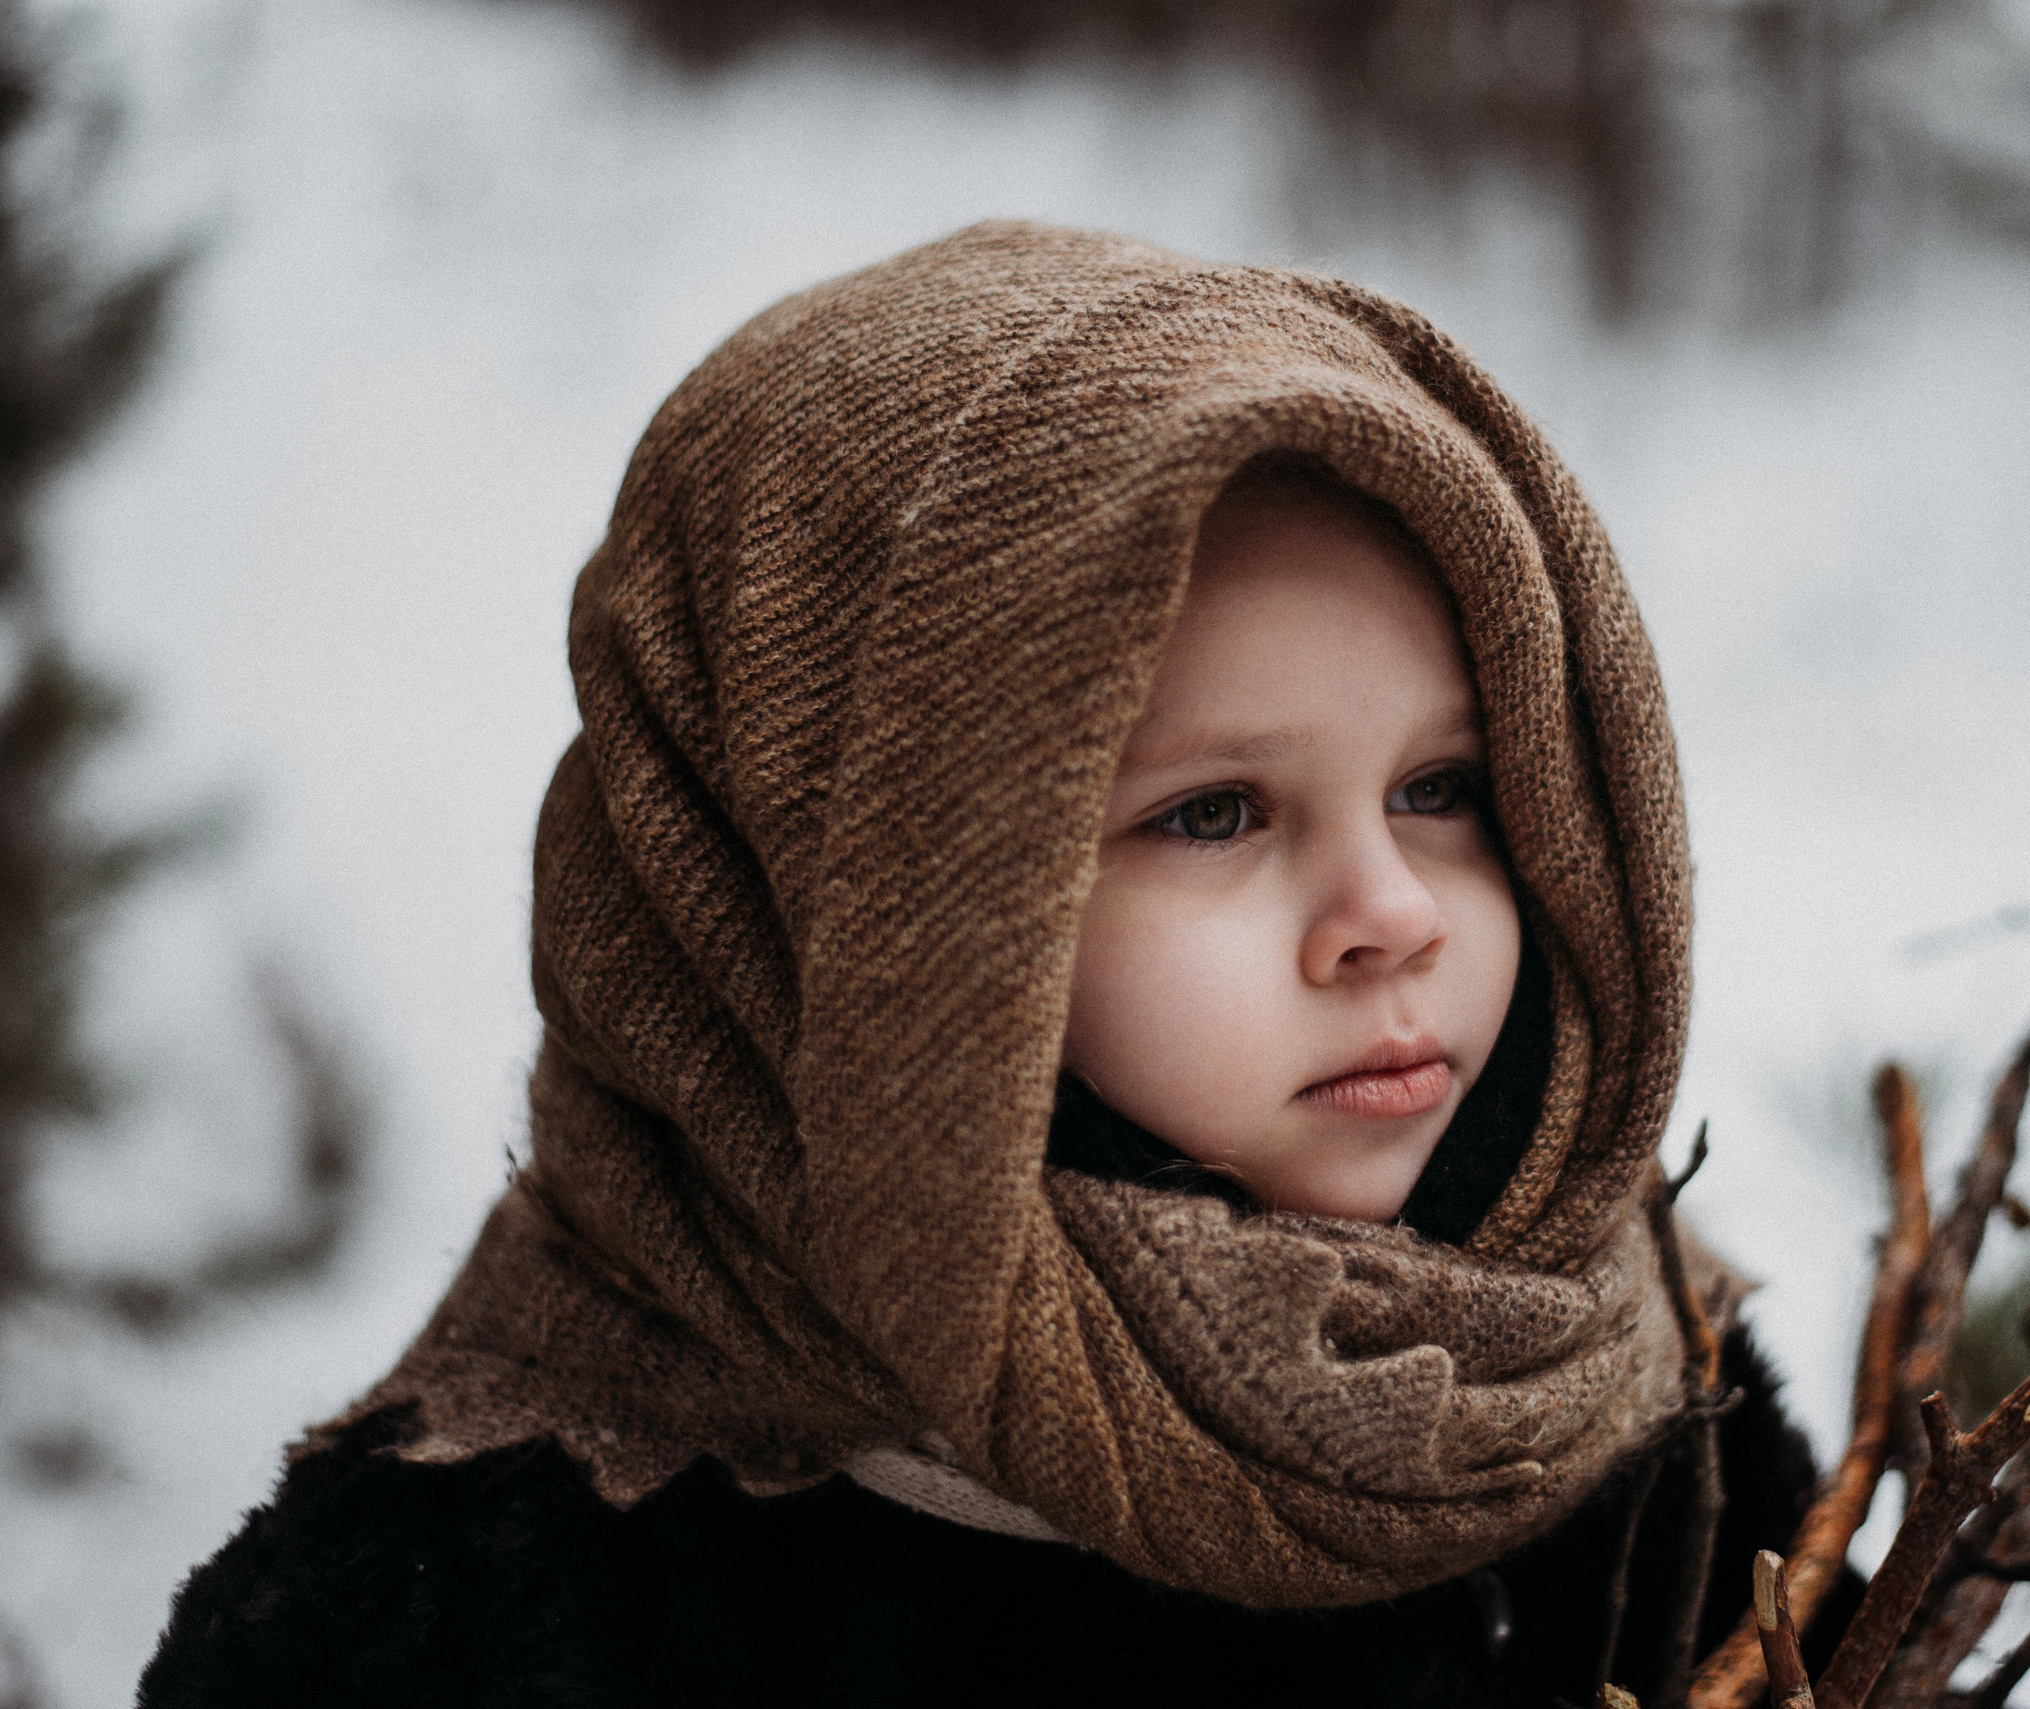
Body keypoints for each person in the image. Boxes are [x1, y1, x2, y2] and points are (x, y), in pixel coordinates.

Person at [139, 222, 1849, 1709]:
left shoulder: (1614, 1383)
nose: (1389, 910)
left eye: (1445, 788)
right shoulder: (480, 1602)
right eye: (1215, 813)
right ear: (853, 911)